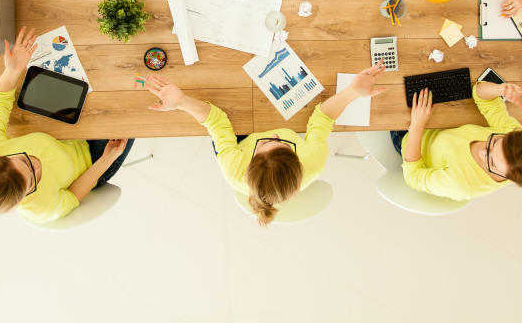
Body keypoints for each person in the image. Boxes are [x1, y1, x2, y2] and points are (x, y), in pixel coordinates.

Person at [142, 62, 386, 226]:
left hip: (237, 143)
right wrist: (352, 92)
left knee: (220, 132)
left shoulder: (234, 169)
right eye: (282, 144)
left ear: (250, 161)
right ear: (297, 160)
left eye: (267, 143)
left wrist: (182, 102)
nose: (277, 136)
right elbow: (322, 118)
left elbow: (217, 122)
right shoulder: (313, 161)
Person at [0, 27, 133, 223]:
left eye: (24, 160)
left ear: (0, 159)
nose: (35, 165)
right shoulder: (40, 208)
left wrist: (13, 70)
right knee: (131, 103)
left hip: (67, 131)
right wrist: (107, 158)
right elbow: (73, 196)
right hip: (95, 161)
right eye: (33, 180)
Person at [392, 81, 522, 201]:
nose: (482, 151)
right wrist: (499, 90)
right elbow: (484, 98)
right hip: (437, 123)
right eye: (492, 143)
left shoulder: (461, 184)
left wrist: (417, 125)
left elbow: (413, 177)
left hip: (410, 139)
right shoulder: (512, 137)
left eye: (491, 162)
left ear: (509, 177)